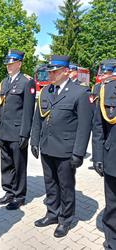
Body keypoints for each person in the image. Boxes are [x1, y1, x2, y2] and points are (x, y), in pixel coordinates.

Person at [30, 55, 93, 237]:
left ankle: (65, 219)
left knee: (65, 186)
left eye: (54, 71)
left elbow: (84, 126)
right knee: (50, 183)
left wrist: (78, 153)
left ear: (66, 71)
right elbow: (38, 118)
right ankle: (52, 213)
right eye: (49, 71)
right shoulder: (46, 90)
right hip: (47, 146)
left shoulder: (80, 93)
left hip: (66, 150)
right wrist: (35, 141)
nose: (51, 74)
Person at [0, 49, 36, 210]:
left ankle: (19, 196)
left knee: (19, 165)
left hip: (18, 132)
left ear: (19, 63)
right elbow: (1, 106)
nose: (9, 66)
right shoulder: (4, 82)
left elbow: (28, 110)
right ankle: (9, 192)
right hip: (4, 131)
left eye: (12, 64)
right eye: (7, 64)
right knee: (6, 164)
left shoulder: (27, 82)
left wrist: (25, 133)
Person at [92, 65, 116, 250]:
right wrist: (98, 156)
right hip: (113, 157)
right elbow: (99, 127)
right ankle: (112, 242)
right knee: (113, 205)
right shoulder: (106, 90)